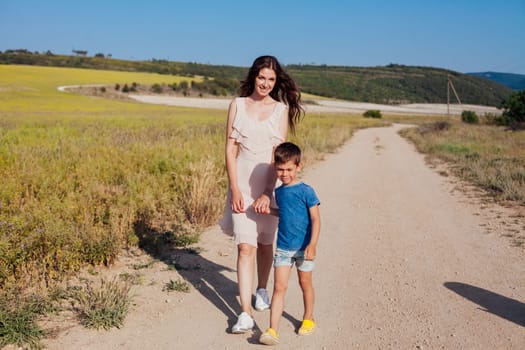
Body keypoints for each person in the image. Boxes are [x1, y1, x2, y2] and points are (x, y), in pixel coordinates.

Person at [220, 55, 304, 334]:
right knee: (245, 247)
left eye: (271, 79)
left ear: (275, 81)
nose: (265, 83)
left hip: (269, 187)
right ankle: (244, 313)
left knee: (266, 244)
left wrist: (269, 192)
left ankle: (261, 289)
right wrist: (234, 188)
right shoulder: (238, 105)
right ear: (253, 77)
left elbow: (276, 156)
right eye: (261, 77)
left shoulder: (280, 111)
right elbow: (230, 150)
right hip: (241, 185)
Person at [259, 142, 321, 346]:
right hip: (284, 249)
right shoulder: (279, 192)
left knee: (305, 284)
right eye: (280, 169)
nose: (284, 174)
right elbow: (284, 213)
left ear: (298, 167)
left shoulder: (306, 191)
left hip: (304, 248)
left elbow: (315, 219)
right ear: (275, 167)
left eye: (289, 169)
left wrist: (312, 245)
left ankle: (308, 318)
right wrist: (270, 211)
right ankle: (272, 330)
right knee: (279, 287)